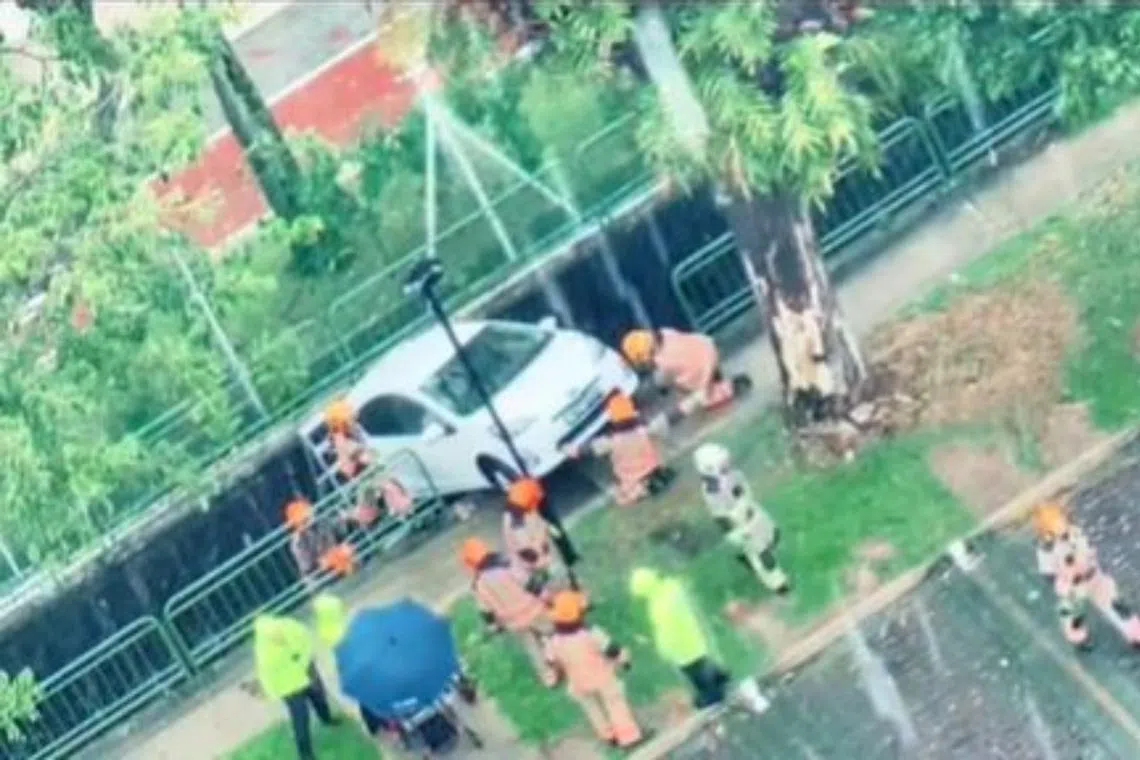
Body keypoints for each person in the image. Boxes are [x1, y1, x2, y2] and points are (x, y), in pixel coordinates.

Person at [543, 591, 644, 749]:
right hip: (602, 677)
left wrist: (554, 678)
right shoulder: (591, 633)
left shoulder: (553, 640)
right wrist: (624, 660)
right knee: (615, 703)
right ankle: (629, 737)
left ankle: (608, 736)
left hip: (577, 682)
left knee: (592, 709)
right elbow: (612, 650)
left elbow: (551, 662)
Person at [1033, 502, 1140, 649]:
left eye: (1061, 521)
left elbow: (1086, 547)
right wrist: (1062, 581)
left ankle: (1134, 632)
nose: (1061, 526)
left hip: (1092, 575)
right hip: (1072, 585)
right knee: (1074, 613)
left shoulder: (1074, 533)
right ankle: (1077, 637)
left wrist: (1088, 557)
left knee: (1114, 603)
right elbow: (1048, 571)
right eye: (1055, 524)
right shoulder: (1047, 549)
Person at [694, 443, 790, 594]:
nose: (726, 464)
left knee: (773, 536)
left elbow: (742, 489)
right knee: (763, 556)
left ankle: (750, 560)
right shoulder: (713, 491)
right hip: (741, 525)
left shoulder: (731, 474)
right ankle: (778, 585)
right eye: (722, 463)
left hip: (752, 512)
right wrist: (734, 532)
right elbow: (720, 516)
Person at [629, 566, 730, 708]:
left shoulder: (658, 607)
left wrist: (664, 649)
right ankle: (717, 677)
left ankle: (713, 693)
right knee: (702, 662)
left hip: (681, 648)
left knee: (695, 673)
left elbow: (664, 632)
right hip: (694, 636)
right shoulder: (672, 588)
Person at [461, 536, 557, 685]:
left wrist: (493, 626)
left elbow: (486, 609)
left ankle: (549, 677)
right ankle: (564, 657)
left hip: (514, 622)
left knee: (532, 649)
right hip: (534, 610)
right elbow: (529, 583)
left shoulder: (478, 585)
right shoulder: (505, 564)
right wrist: (547, 597)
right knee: (553, 633)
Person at [254, 613, 339, 760]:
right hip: (290, 687)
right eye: (274, 637)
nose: (278, 638)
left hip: (305, 671)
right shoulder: (263, 651)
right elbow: (265, 675)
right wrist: (273, 693)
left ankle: (326, 718)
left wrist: (305, 659)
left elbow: (306, 640)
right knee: (301, 719)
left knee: (320, 697)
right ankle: (305, 754)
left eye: (278, 634)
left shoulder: (290, 626)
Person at [565, 392, 675, 506]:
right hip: (653, 472)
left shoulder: (610, 442)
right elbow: (671, 417)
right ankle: (646, 487)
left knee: (619, 495)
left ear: (613, 420)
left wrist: (566, 448)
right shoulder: (645, 430)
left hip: (632, 480)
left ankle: (638, 491)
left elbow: (581, 450)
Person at [621, 328, 751, 414]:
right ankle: (716, 385)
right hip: (709, 348)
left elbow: (663, 380)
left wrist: (702, 388)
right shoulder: (666, 332)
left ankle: (724, 389)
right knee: (665, 380)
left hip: (702, 373)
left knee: (703, 400)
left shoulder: (664, 365)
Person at [503, 477, 561, 598]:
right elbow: (528, 552)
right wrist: (542, 561)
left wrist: (546, 527)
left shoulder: (521, 507)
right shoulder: (517, 524)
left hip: (537, 556)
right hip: (532, 564)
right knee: (548, 590)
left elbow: (536, 521)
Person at [284, 498, 358, 584]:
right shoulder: (298, 542)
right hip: (320, 575)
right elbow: (308, 568)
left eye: (308, 516)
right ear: (296, 524)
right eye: (304, 520)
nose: (309, 520)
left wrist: (346, 518)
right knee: (334, 559)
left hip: (338, 557)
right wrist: (326, 560)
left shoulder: (323, 520)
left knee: (346, 550)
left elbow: (341, 529)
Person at [325, 399, 371, 481]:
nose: (353, 422)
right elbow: (347, 468)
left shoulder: (355, 431)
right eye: (350, 419)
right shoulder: (339, 439)